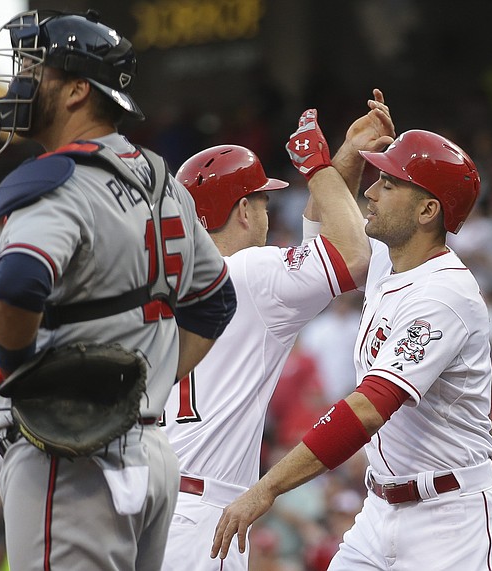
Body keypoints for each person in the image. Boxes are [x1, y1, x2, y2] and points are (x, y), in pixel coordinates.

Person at [0, 10, 236, 570]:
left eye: (35, 69)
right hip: (149, 455)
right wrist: (147, 382)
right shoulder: (160, 177)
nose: (22, 82)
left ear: (76, 91)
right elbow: (216, 300)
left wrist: (22, 370)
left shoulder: (60, 182)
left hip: (74, 462)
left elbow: (19, 282)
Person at [212, 126, 492, 569]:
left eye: (388, 184)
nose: (372, 192)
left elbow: (369, 408)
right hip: (380, 509)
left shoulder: (445, 294)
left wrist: (268, 487)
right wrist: (348, 155)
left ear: (428, 210)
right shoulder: (389, 262)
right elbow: (324, 234)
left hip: (453, 520)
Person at [160, 92, 395, 570]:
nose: (268, 215)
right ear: (244, 211)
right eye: (263, 202)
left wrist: (342, 162)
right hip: (203, 517)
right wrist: (317, 166)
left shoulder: (162, 285)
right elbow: (353, 257)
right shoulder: (248, 273)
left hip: (148, 507)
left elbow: (320, 247)